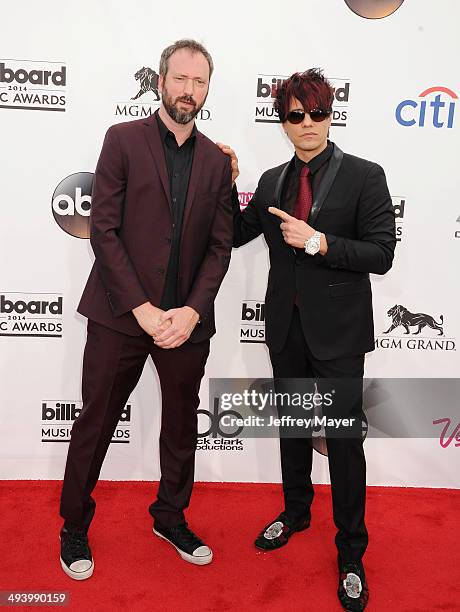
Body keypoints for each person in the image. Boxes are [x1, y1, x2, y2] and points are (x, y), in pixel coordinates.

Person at [59, 39, 233, 580]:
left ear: (208, 88)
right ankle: (73, 527)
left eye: (199, 81)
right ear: (160, 82)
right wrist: (140, 307)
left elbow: (219, 247)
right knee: (96, 422)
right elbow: (104, 230)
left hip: (185, 324)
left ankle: (170, 516)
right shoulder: (122, 140)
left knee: (182, 426)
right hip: (120, 315)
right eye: (179, 79)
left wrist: (191, 311)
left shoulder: (216, 161)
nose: (189, 90)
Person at [224, 69, 396, 611]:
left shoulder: (366, 175)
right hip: (287, 328)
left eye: (318, 113)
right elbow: (233, 233)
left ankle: (350, 551)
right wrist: (226, 184)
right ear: (283, 122)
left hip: (340, 333)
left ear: (330, 114)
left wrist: (321, 242)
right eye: (296, 115)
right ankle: (296, 511)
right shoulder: (274, 180)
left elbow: (382, 254)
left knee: (345, 445)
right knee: (294, 431)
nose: (309, 124)